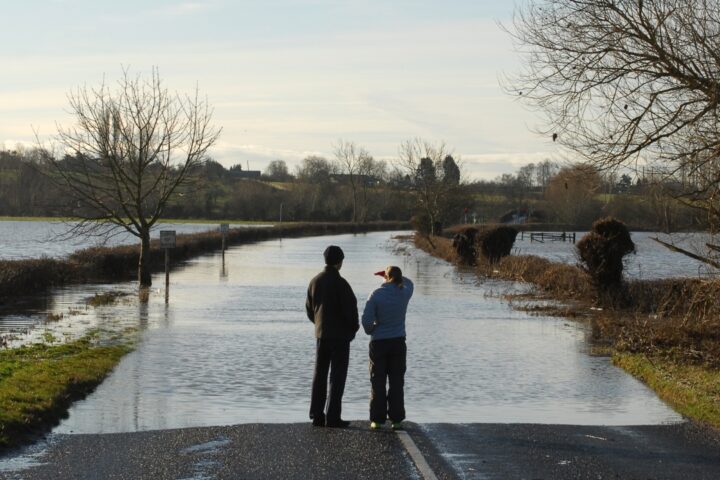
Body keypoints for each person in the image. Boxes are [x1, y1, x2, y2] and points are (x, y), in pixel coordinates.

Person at [306, 245, 359, 428]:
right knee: (337, 376)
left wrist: (319, 325)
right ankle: (333, 416)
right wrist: (353, 329)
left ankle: (317, 415)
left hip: (321, 334)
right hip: (340, 337)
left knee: (319, 374)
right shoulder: (341, 283)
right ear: (339, 262)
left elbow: (309, 309)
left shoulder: (315, 281)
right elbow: (350, 310)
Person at [361, 266, 414, 430]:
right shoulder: (404, 292)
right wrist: (394, 277)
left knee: (378, 381)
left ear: (386, 277)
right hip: (398, 342)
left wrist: (372, 330)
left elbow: (366, 321)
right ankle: (396, 420)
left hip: (379, 342)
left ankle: (377, 419)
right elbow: (410, 282)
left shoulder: (376, 294)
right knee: (397, 381)